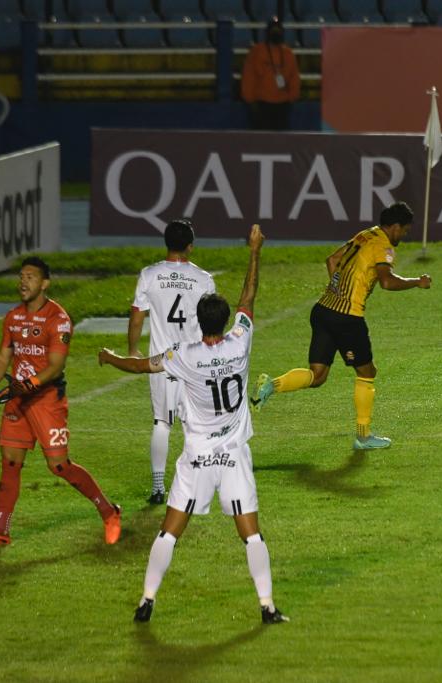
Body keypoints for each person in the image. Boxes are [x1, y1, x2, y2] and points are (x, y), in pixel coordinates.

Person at [99, 225, 288, 626]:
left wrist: (111, 357)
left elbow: (139, 366)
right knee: (251, 535)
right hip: (234, 456)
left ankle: (146, 600)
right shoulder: (240, 341)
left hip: (197, 458)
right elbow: (249, 299)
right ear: (224, 321)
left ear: (198, 323)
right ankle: (267, 606)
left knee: (169, 533)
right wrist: (254, 253)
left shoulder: (184, 355)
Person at [250, 202, 431, 450]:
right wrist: (417, 282)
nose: (404, 236)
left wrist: (339, 291)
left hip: (323, 309)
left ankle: (270, 385)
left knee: (318, 376)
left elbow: (332, 260)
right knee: (367, 373)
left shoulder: (365, 235)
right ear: (396, 226)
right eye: (405, 230)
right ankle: (363, 436)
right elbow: (387, 282)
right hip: (347, 318)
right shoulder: (383, 245)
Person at [0, 257, 121, 548]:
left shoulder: (58, 319)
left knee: (59, 466)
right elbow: (5, 355)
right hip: (19, 399)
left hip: (46, 399)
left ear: (45, 283)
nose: (23, 281)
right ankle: (1, 532)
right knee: (10, 462)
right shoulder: (13, 317)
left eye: (30, 277)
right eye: (21, 276)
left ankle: (109, 511)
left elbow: (54, 366)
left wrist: (24, 386)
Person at [128, 219, 216, 505]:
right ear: (190, 246)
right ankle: (201, 482)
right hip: (193, 360)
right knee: (197, 423)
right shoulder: (203, 278)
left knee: (162, 422)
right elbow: (211, 319)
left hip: (161, 362)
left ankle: (157, 487)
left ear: (166, 243)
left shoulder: (150, 275)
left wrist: (133, 350)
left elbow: (137, 316)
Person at [241, 17, 301, 131]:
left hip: (283, 105)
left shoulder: (288, 54)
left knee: (281, 143)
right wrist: (250, 99)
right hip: (262, 105)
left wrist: (292, 97)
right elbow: (249, 77)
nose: (276, 33)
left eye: (278, 31)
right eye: (273, 31)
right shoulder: (257, 52)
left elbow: (294, 78)